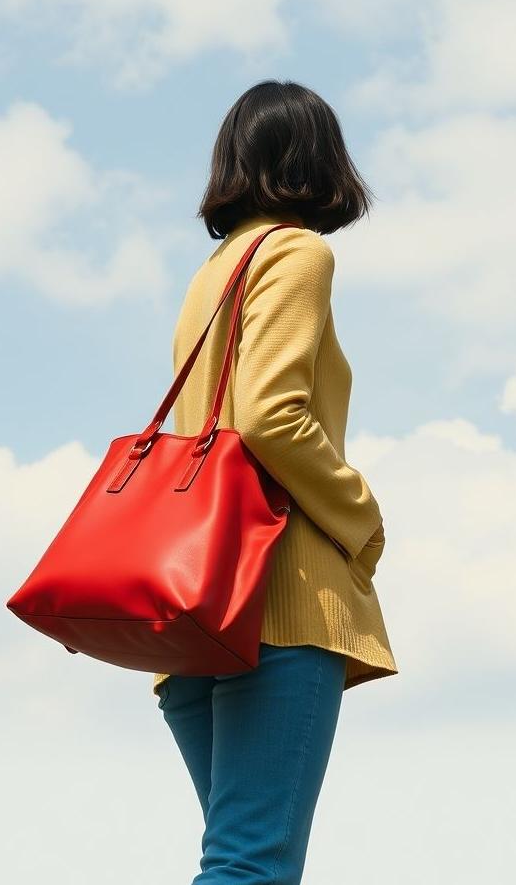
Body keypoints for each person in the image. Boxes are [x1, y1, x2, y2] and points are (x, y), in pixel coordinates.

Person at [154, 79, 398, 885]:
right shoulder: (298, 252)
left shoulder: (212, 270)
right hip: (275, 598)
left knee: (235, 860)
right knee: (252, 867)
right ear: (322, 159)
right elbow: (268, 416)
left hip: (193, 613)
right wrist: (359, 513)